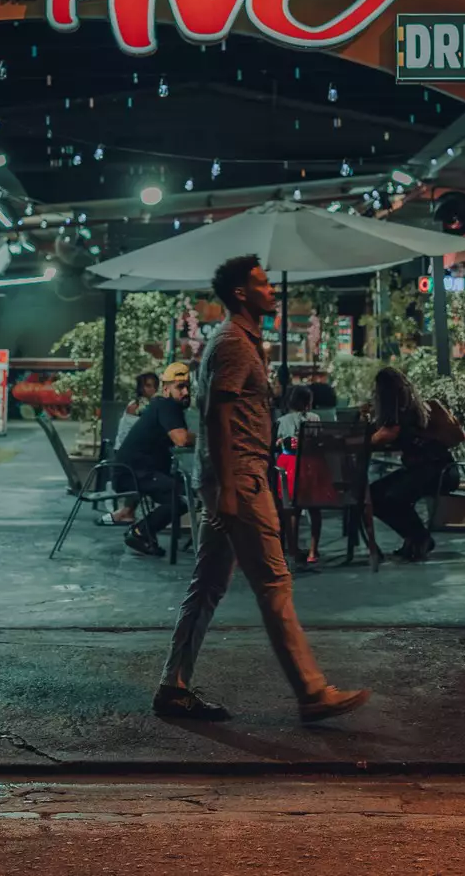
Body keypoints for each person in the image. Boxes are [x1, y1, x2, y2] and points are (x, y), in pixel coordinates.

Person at [153, 253, 369, 725]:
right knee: (274, 583)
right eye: (263, 284)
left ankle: (174, 686)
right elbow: (216, 415)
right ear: (240, 293)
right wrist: (230, 489)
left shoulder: (243, 342)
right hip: (241, 478)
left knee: (207, 585)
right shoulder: (232, 342)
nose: (272, 291)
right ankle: (312, 691)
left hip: (232, 476)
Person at [366, 366, 452, 562]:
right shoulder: (410, 403)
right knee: (375, 494)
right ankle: (415, 538)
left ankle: (420, 538)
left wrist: (362, 440)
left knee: (388, 497)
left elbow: (387, 434)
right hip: (432, 468)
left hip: (437, 471)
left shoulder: (399, 409)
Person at [113, 363, 195, 557]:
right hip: (134, 473)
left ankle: (143, 533)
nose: (185, 392)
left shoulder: (165, 405)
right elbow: (181, 439)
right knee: (183, 498)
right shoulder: (166, 405)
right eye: (179, 387)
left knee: (184, 495)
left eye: (187, 387)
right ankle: (140, 532)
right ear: (166, 389)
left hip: (140, 471)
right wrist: (207, 438)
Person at [100, 370, 166, 526]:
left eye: (155, 386)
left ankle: (129, 511)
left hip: (137, 452)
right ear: (141, 388)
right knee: (150, 469)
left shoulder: (153, 405)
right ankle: (131, 512)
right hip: (124, 453)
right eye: (148, 386)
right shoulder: (136, 406)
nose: (153, 389)